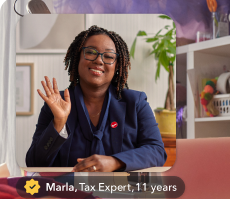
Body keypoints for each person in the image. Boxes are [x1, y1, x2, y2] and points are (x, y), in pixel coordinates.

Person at [26, 25, 167, 172]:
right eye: (91, 52)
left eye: (109, 56)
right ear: (77, 57)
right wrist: (59, 123)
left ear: (116, 65)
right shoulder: (56, 103)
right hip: (67, 191)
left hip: (119, 191)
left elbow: (156, 151)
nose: (99, 61)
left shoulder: (136, 102)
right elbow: (34, 163)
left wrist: (115, 162)